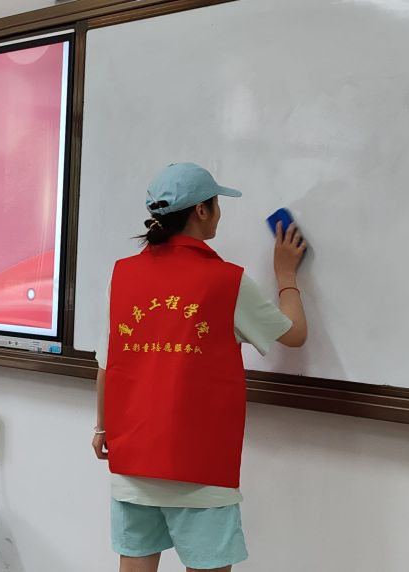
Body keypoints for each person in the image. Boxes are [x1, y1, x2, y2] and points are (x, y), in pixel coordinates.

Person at [92, 164, 307, 572]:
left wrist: (102, 429)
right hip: (200, 470)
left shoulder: (123, 275)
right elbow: (294, 334)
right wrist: (286, 274)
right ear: (202, 211)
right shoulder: (225, 281)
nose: (219, 212)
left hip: (133, 462)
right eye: (216, 203)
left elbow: (107, 363)